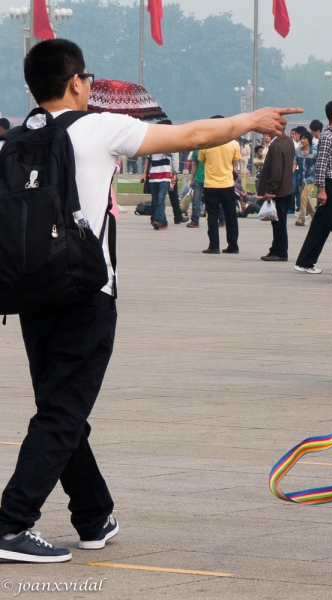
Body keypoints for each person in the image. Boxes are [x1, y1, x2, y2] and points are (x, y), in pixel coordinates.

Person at [0, 38, 298, 564]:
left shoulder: (14, 140)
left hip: (29, 293)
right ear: (76, 83)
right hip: (86, 293)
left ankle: (93, 516)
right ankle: (10, 523)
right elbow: (193, 134)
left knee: (60, 406)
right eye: (88, 79)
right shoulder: (96, 126)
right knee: (63, 412)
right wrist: (250, 118)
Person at [294, 100, 332, 274]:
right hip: (330, 184)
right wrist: (322, 190)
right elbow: (321, 164)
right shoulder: (327, 137)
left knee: (320, 226)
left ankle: (304, 261)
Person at [198, 117, 242, 254]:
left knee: (212, 215)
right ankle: (233, 245)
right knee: (231, 216)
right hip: (227, 184)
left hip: (211, 184)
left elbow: (203, 161)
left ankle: (214, 245)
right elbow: (234, 163)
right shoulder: (233, 143)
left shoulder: (206, 143)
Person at [257, 128, 295, 262]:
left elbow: (276, 170)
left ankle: (280, 251)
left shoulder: (276, 146)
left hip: (278, 190)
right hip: (286, 187)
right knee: (278, 221)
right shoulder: (288, 141)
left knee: (278, 223)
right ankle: (276, 248)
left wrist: (270, 190)